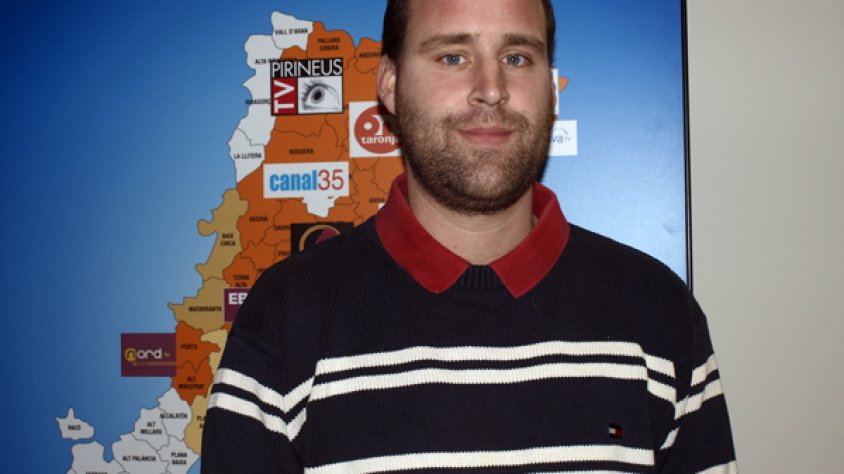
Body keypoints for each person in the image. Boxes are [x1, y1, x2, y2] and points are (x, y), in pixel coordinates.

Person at [201, 0, 738, 472]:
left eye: (517, 57)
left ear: (551, 88)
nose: (492, 90)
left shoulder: (658, 311)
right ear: (389, 84)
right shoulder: (285, 318)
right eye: (453, 57)